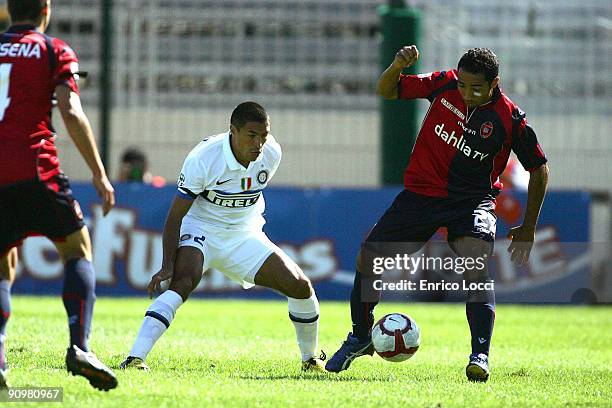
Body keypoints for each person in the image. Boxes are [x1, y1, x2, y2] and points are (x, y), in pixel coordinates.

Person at [325, 46, 549, 382]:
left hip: (471, 202)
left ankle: (480, 355)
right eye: (463, 85)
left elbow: (540, 169)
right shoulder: (443, 84)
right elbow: (388, 89)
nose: (468, 93)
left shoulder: (510, 118)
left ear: (494, 83)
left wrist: (529, 226)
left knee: (475, 261)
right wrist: (396, 66)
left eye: (477, 88)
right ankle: (360, 336)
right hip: (420, 196)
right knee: (367, 259)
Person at [119, 102, 325, 372]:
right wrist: (167, 264)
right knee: (182, 283)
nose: (259, 143)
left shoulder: (271, 153)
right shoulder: (203, 158)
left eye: (263, 136)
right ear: (233, 131)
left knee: (300, 287)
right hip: (202, 228)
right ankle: (135, 358)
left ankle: (310, 361)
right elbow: (174, 218)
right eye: (252, 135)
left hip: (244, 234)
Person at [0, 0, 117, 390]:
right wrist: (99, 174)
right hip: (36, 168)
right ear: (45, 10)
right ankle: (79, 346)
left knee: (2, 264)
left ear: (7, 10)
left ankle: (0, 358)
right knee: (76, 249)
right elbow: (70, 110)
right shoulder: (54, 50)